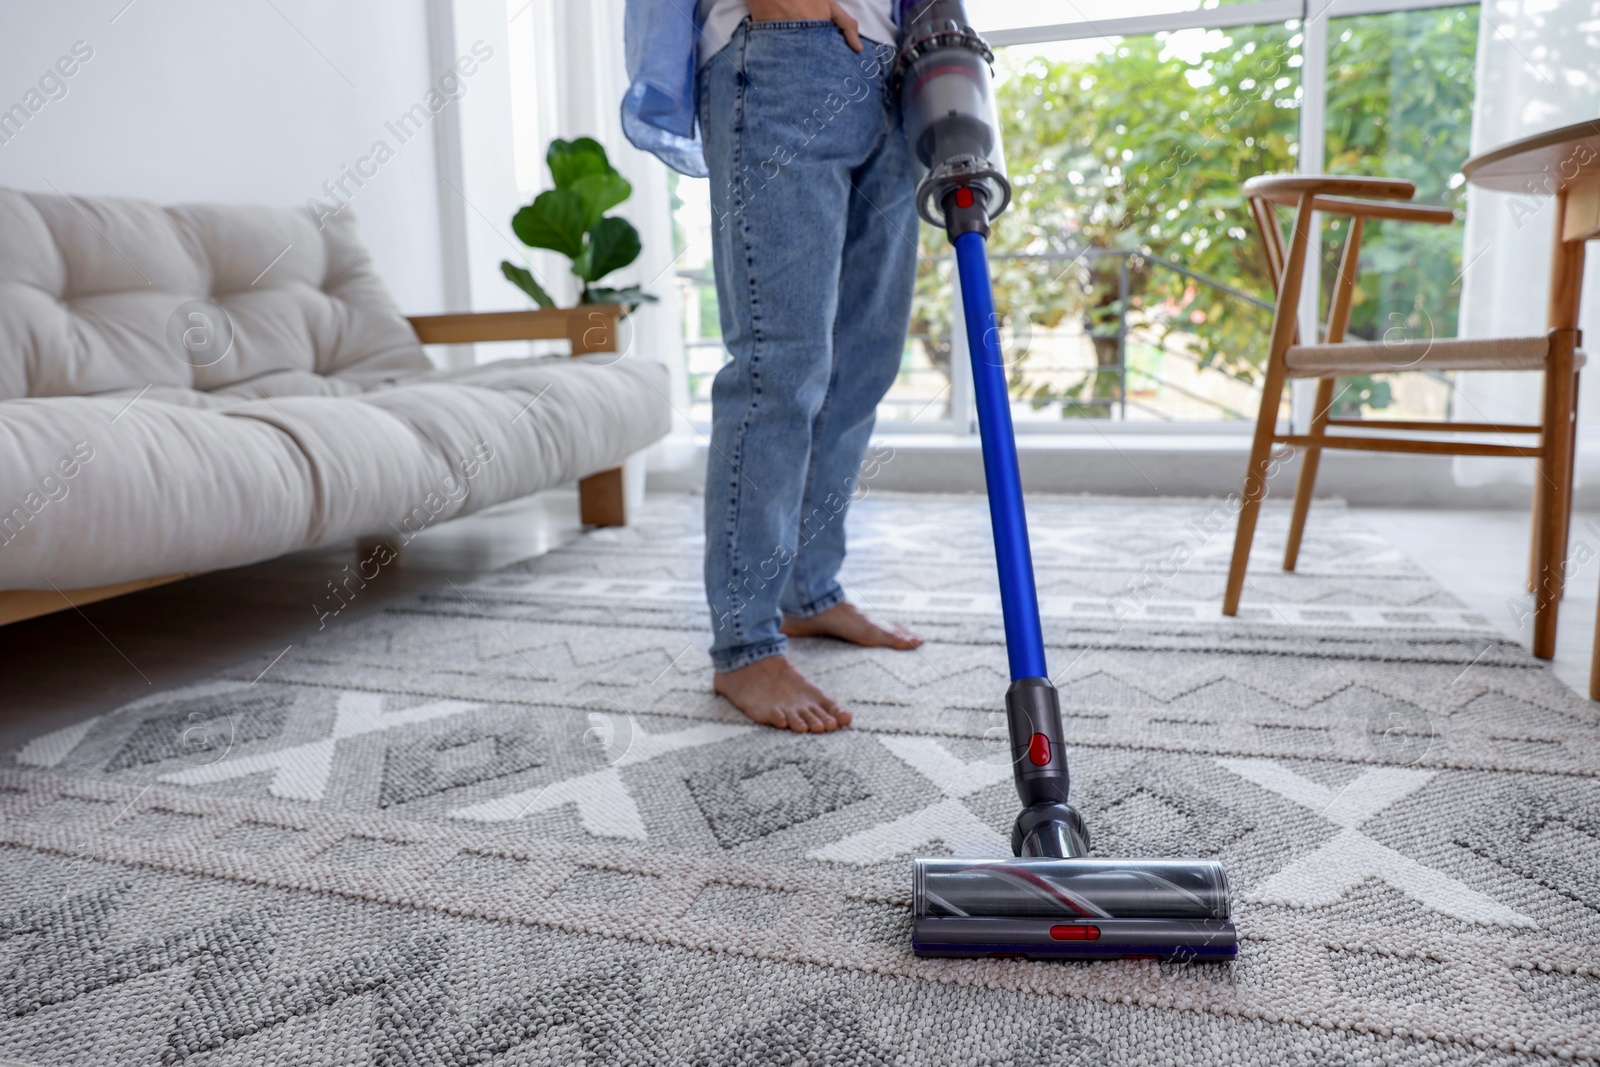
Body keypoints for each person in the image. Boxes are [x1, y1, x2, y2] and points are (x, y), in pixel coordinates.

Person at [623, 0, 924, 734]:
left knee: (862, 363)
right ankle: (746, 641)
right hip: (787, 47)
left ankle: (809, 591)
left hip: (899, 64)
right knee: (778, 367)